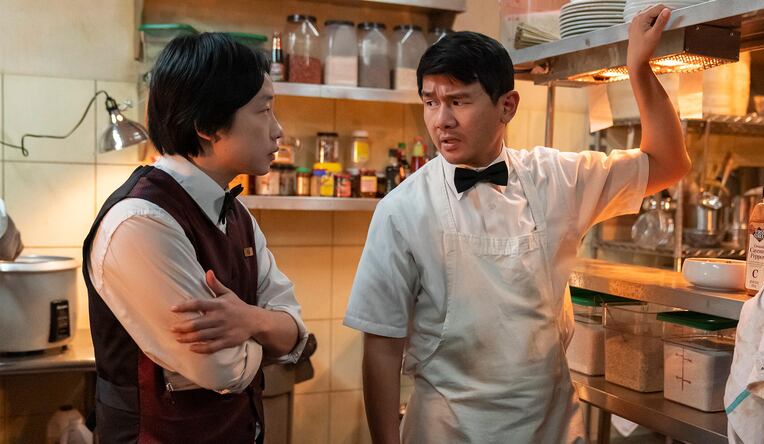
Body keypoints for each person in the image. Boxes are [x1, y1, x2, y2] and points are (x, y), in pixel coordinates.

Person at [344, 5, 689, 443]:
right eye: (430, 102)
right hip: (446, 431)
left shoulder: (557, 178)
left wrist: (638, 68)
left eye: (458, 101)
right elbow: (381, 346)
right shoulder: (401, 210)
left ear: (507, 105)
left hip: (549, 427)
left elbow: (668, 163)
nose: (441, 120)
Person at [83, 33, 308, 443]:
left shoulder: (236, 213)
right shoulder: (140, 221)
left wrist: (251, 320)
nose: (278, 131)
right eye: (263, 111)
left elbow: (295, 331)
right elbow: (225, 369)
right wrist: (270, 331)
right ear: (207, 126)